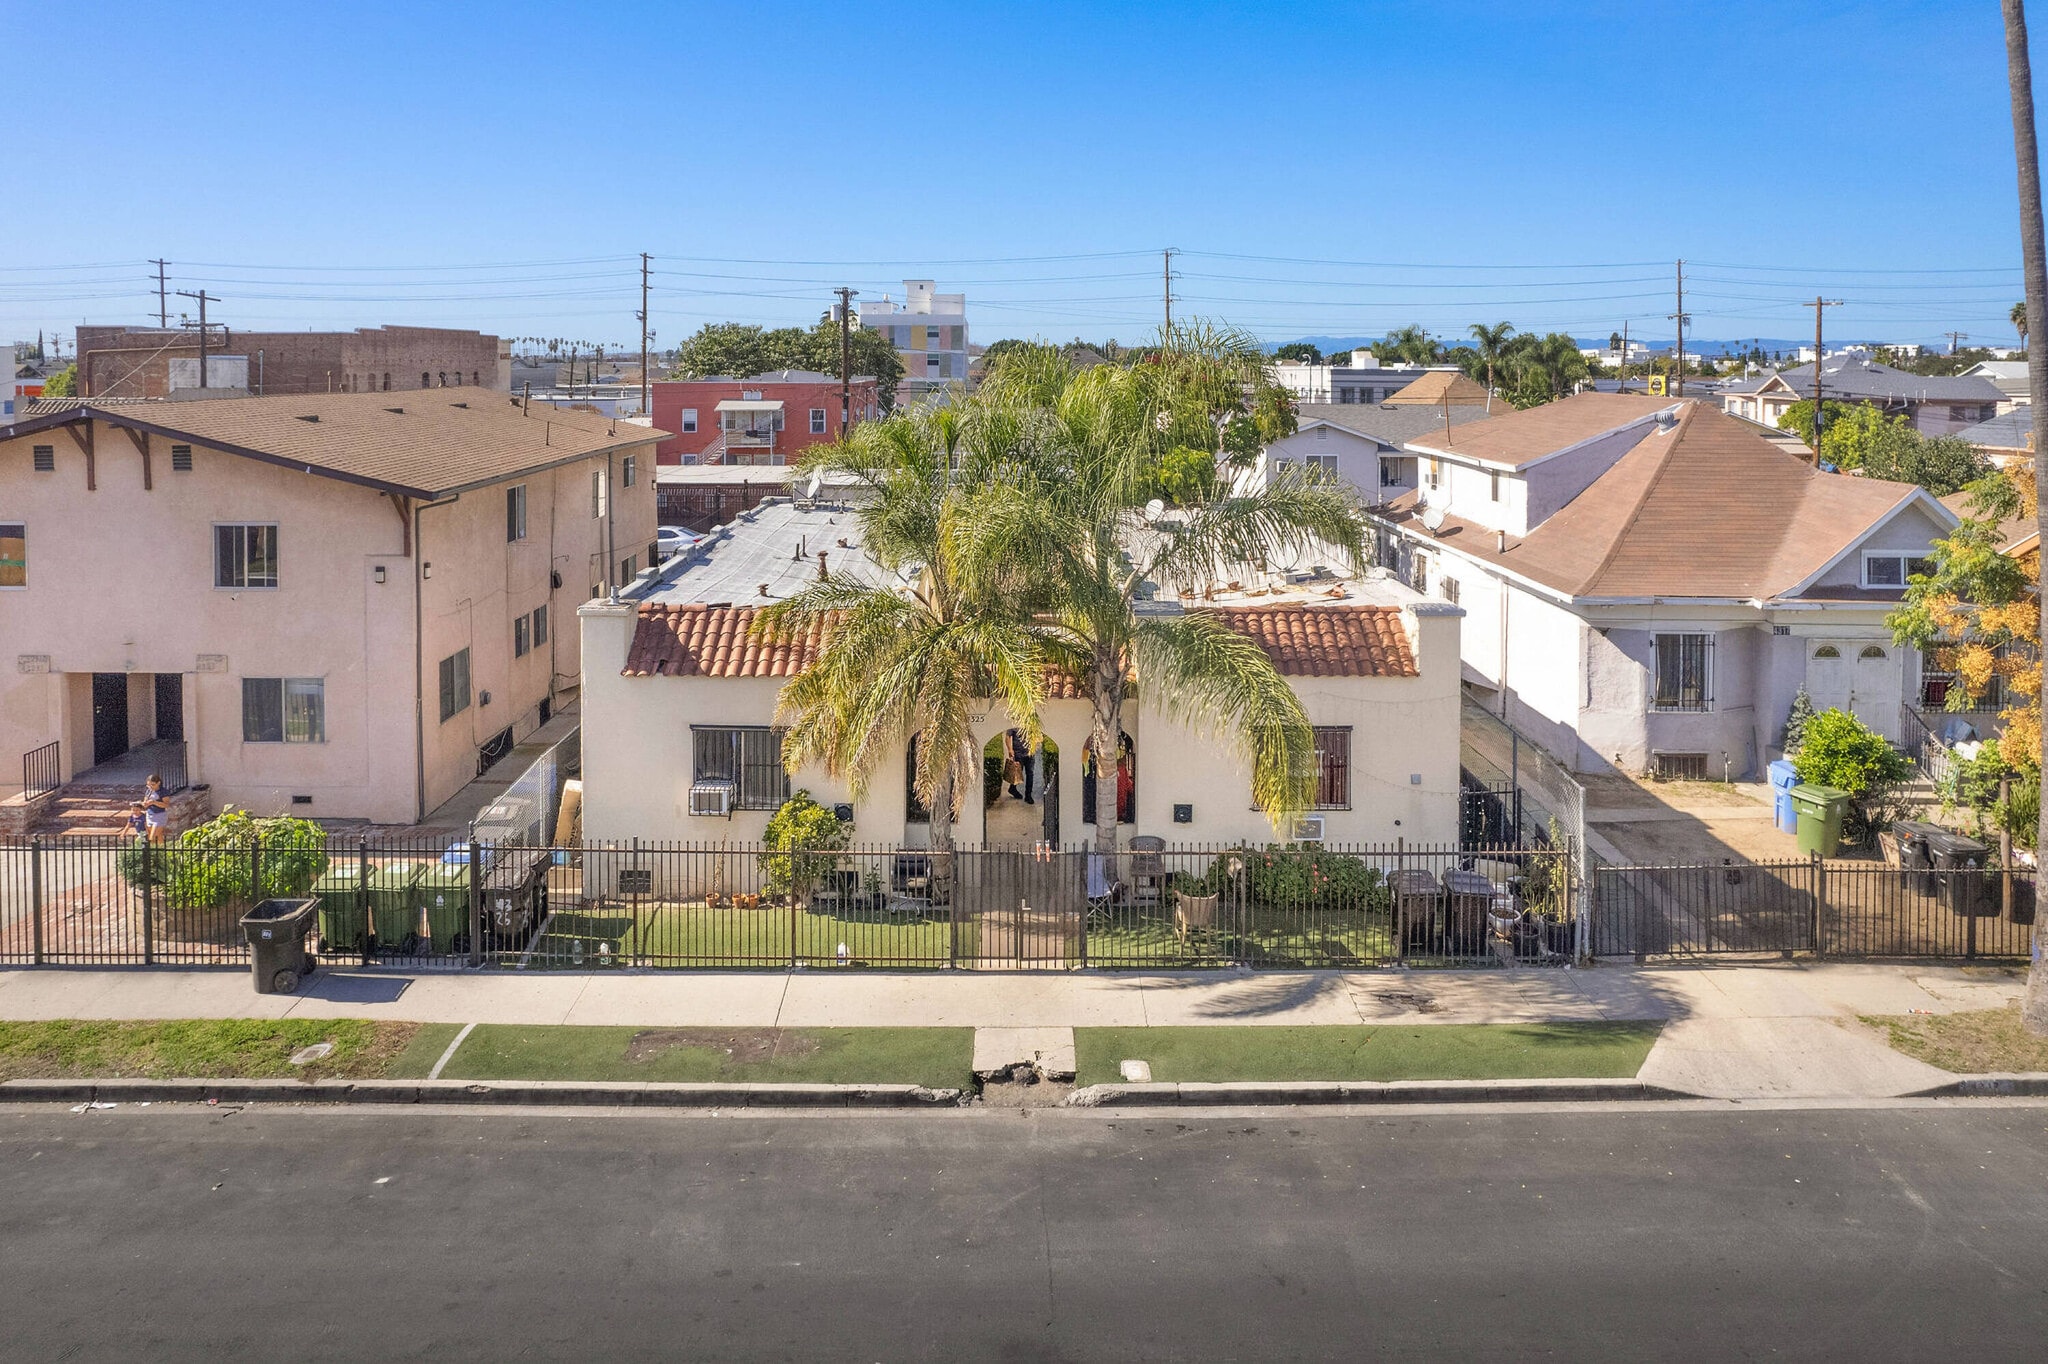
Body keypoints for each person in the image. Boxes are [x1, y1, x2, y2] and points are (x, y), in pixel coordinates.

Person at [142, 774, 169, 845]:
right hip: (150, 814)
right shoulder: (148, 791)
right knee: (159, 836)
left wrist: (154, 802)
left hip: (159, 814)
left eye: (153, 785)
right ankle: (162, 851)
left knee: (152, 837)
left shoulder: (163, 791)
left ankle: (151, 851)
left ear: (158, 783)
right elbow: (145, 802)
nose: (150, 787)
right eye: (148, 785)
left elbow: (166, 805)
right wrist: (144, 804)